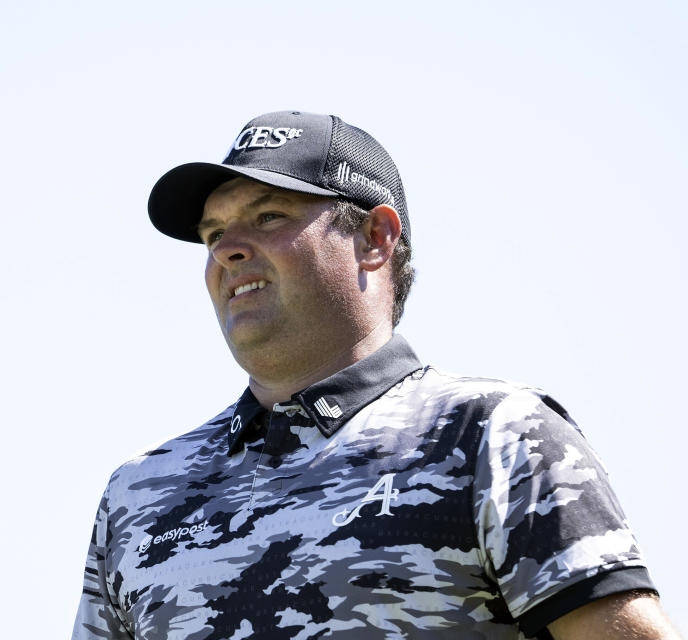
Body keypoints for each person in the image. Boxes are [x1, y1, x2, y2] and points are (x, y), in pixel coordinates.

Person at [71, 111, 679, 639]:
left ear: (375, 238)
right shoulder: (140, 493)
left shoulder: (493, 435)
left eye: (270, 216)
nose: (227, 248)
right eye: (213, 233)